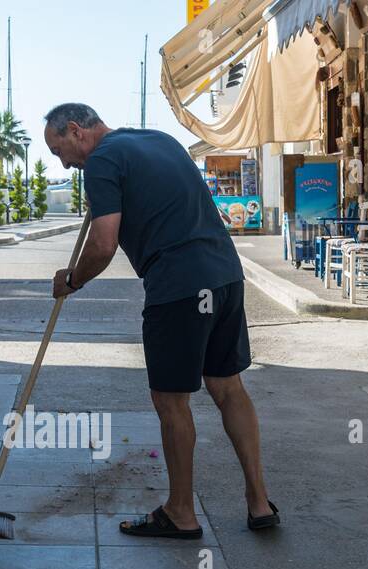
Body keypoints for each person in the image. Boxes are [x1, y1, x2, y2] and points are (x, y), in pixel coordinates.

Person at [42, 103, 278, 538]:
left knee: (172, 402)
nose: (65, 163)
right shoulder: (159, 140)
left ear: (76, 131)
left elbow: (103, 244)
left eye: (60, 151)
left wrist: (71, 280)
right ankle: (259, 502)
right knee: (228, 387)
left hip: (178, 289)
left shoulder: (101, 162)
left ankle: (181, 512)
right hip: (225, 277)